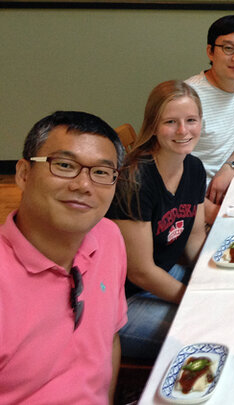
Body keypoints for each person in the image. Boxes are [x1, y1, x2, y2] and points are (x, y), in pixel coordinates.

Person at [0, 111, 127, 403]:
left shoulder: (108, 237)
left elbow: (110, 338)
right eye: (65, 165)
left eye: (101, 172)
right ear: (24, 173)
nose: (83, 185)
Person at [107, 80, 207, 359]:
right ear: (152, 125)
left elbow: (195, 237)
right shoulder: (136, 179)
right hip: (124, 299)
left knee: (230, 302)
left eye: (191, 120)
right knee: (203, 331)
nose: (183, 131)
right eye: (170, 122)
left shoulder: (194, 167)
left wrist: (210, 279)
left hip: (162, 272)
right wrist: (193, 298)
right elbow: (139, 271)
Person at [186, 15, 234, 224]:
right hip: (199, 201)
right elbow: (169, 173)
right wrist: (215, 215)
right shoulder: (189, 98)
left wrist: (229, 168)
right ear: (210, 51)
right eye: (228, 48)